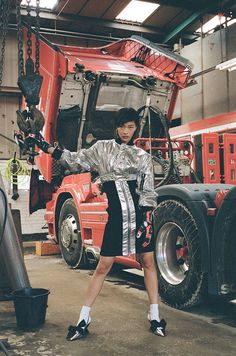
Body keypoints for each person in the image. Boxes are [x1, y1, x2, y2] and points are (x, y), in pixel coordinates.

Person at [27, 107, 166, 340]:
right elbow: (74, 159)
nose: (126, 131)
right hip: (117, 219)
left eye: (130, 127)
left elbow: (148, 192)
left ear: (135, 129)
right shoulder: (102, 149)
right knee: (103, 266)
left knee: (148, 262)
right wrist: (45, 146)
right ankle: (83, 319)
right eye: (122, 126)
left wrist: (148, 219)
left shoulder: (143, 157)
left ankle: (154, 316)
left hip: (140, 218)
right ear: (116, 127)